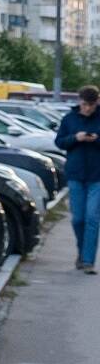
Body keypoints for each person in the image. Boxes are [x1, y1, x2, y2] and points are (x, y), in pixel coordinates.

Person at [55, 85, 100, 273]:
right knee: (78, 219)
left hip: (97, 176)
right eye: (84, 104)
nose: (87, 108)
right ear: (79, 101)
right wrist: (76, 137)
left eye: (91, 104)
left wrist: (96, 139)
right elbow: (59, 142)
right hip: (75, 175)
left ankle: (88, 261)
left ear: (97, 102)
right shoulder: (69, 119)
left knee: (92, 218)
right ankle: (81, 253)